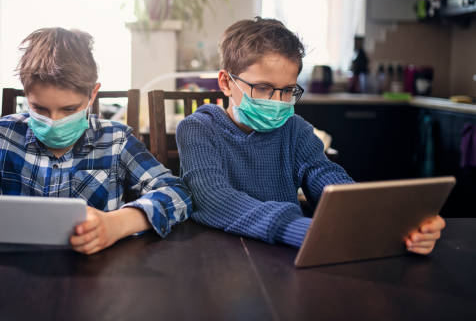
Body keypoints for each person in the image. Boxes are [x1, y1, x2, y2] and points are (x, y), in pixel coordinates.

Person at [175, 17, 444, 255]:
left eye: (287, 90)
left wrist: (392, 224)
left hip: (284, 255)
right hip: (221, 258)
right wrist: (299, 229)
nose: (278, 102)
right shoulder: (198, 129)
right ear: (225, 83)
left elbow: (326, 177)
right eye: (264, 88)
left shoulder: (295, 129)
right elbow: (212, 199)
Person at [0, 27, 191, 254]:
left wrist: (118, 224)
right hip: (15, 272)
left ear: (92, 95)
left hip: (98, 275)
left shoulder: (116, 140)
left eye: (69, 109)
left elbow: (176, 194)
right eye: (40, 109)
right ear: (26, 95)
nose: (54, 121)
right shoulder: (3, 136)